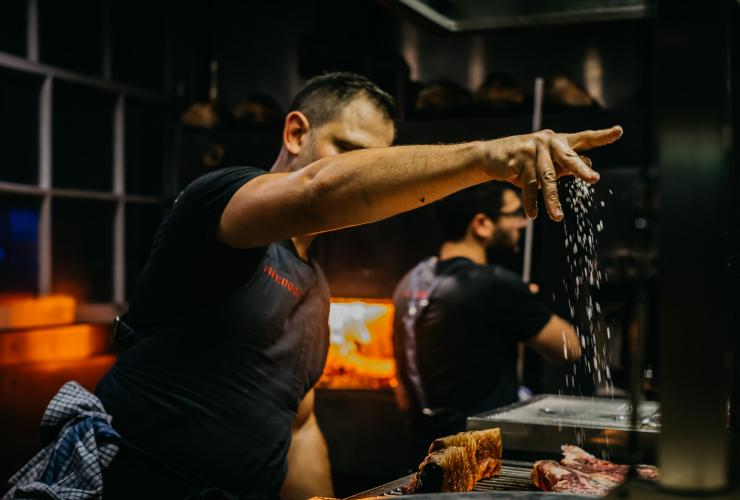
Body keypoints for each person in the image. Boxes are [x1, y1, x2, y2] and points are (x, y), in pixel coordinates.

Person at [95, 71, 622, 499]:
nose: (361, 172)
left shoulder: (314, 287)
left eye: (374, 160)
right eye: (346, 148)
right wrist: (486, 158)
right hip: (131, 483)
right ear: (296, 133)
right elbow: (316, 191)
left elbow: (298, 429)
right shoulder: (220, 201)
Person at [391, 181, 583, 444]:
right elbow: (569, 348)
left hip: (426, 441)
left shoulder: (410, 281)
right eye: (514, 214)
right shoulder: (495, 284)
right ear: (481, 224)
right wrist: (525, 303)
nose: (522, 223)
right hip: (479, 448)